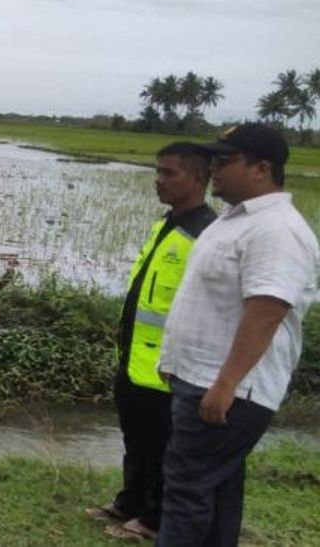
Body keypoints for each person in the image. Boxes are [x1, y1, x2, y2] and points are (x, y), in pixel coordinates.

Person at [156, 123, 319, 546]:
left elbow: (267, 310)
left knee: (186, 491)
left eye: (225, 160)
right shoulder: (236, 220)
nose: (215, 168)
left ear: (262, 168)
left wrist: (225, 383)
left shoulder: (277, 230)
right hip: (204, 379)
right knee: (215, 489)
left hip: (225, 387)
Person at [89, 142, 216, 540]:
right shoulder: (167, 225)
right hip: (134, 358)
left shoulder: (205, 236)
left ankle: (153, 519)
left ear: (199, 178)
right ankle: (130, 503)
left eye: (169, 173)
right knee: (136, 438)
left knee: (165, 445)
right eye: (157, 172)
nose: (159, 181)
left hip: (169, 365)